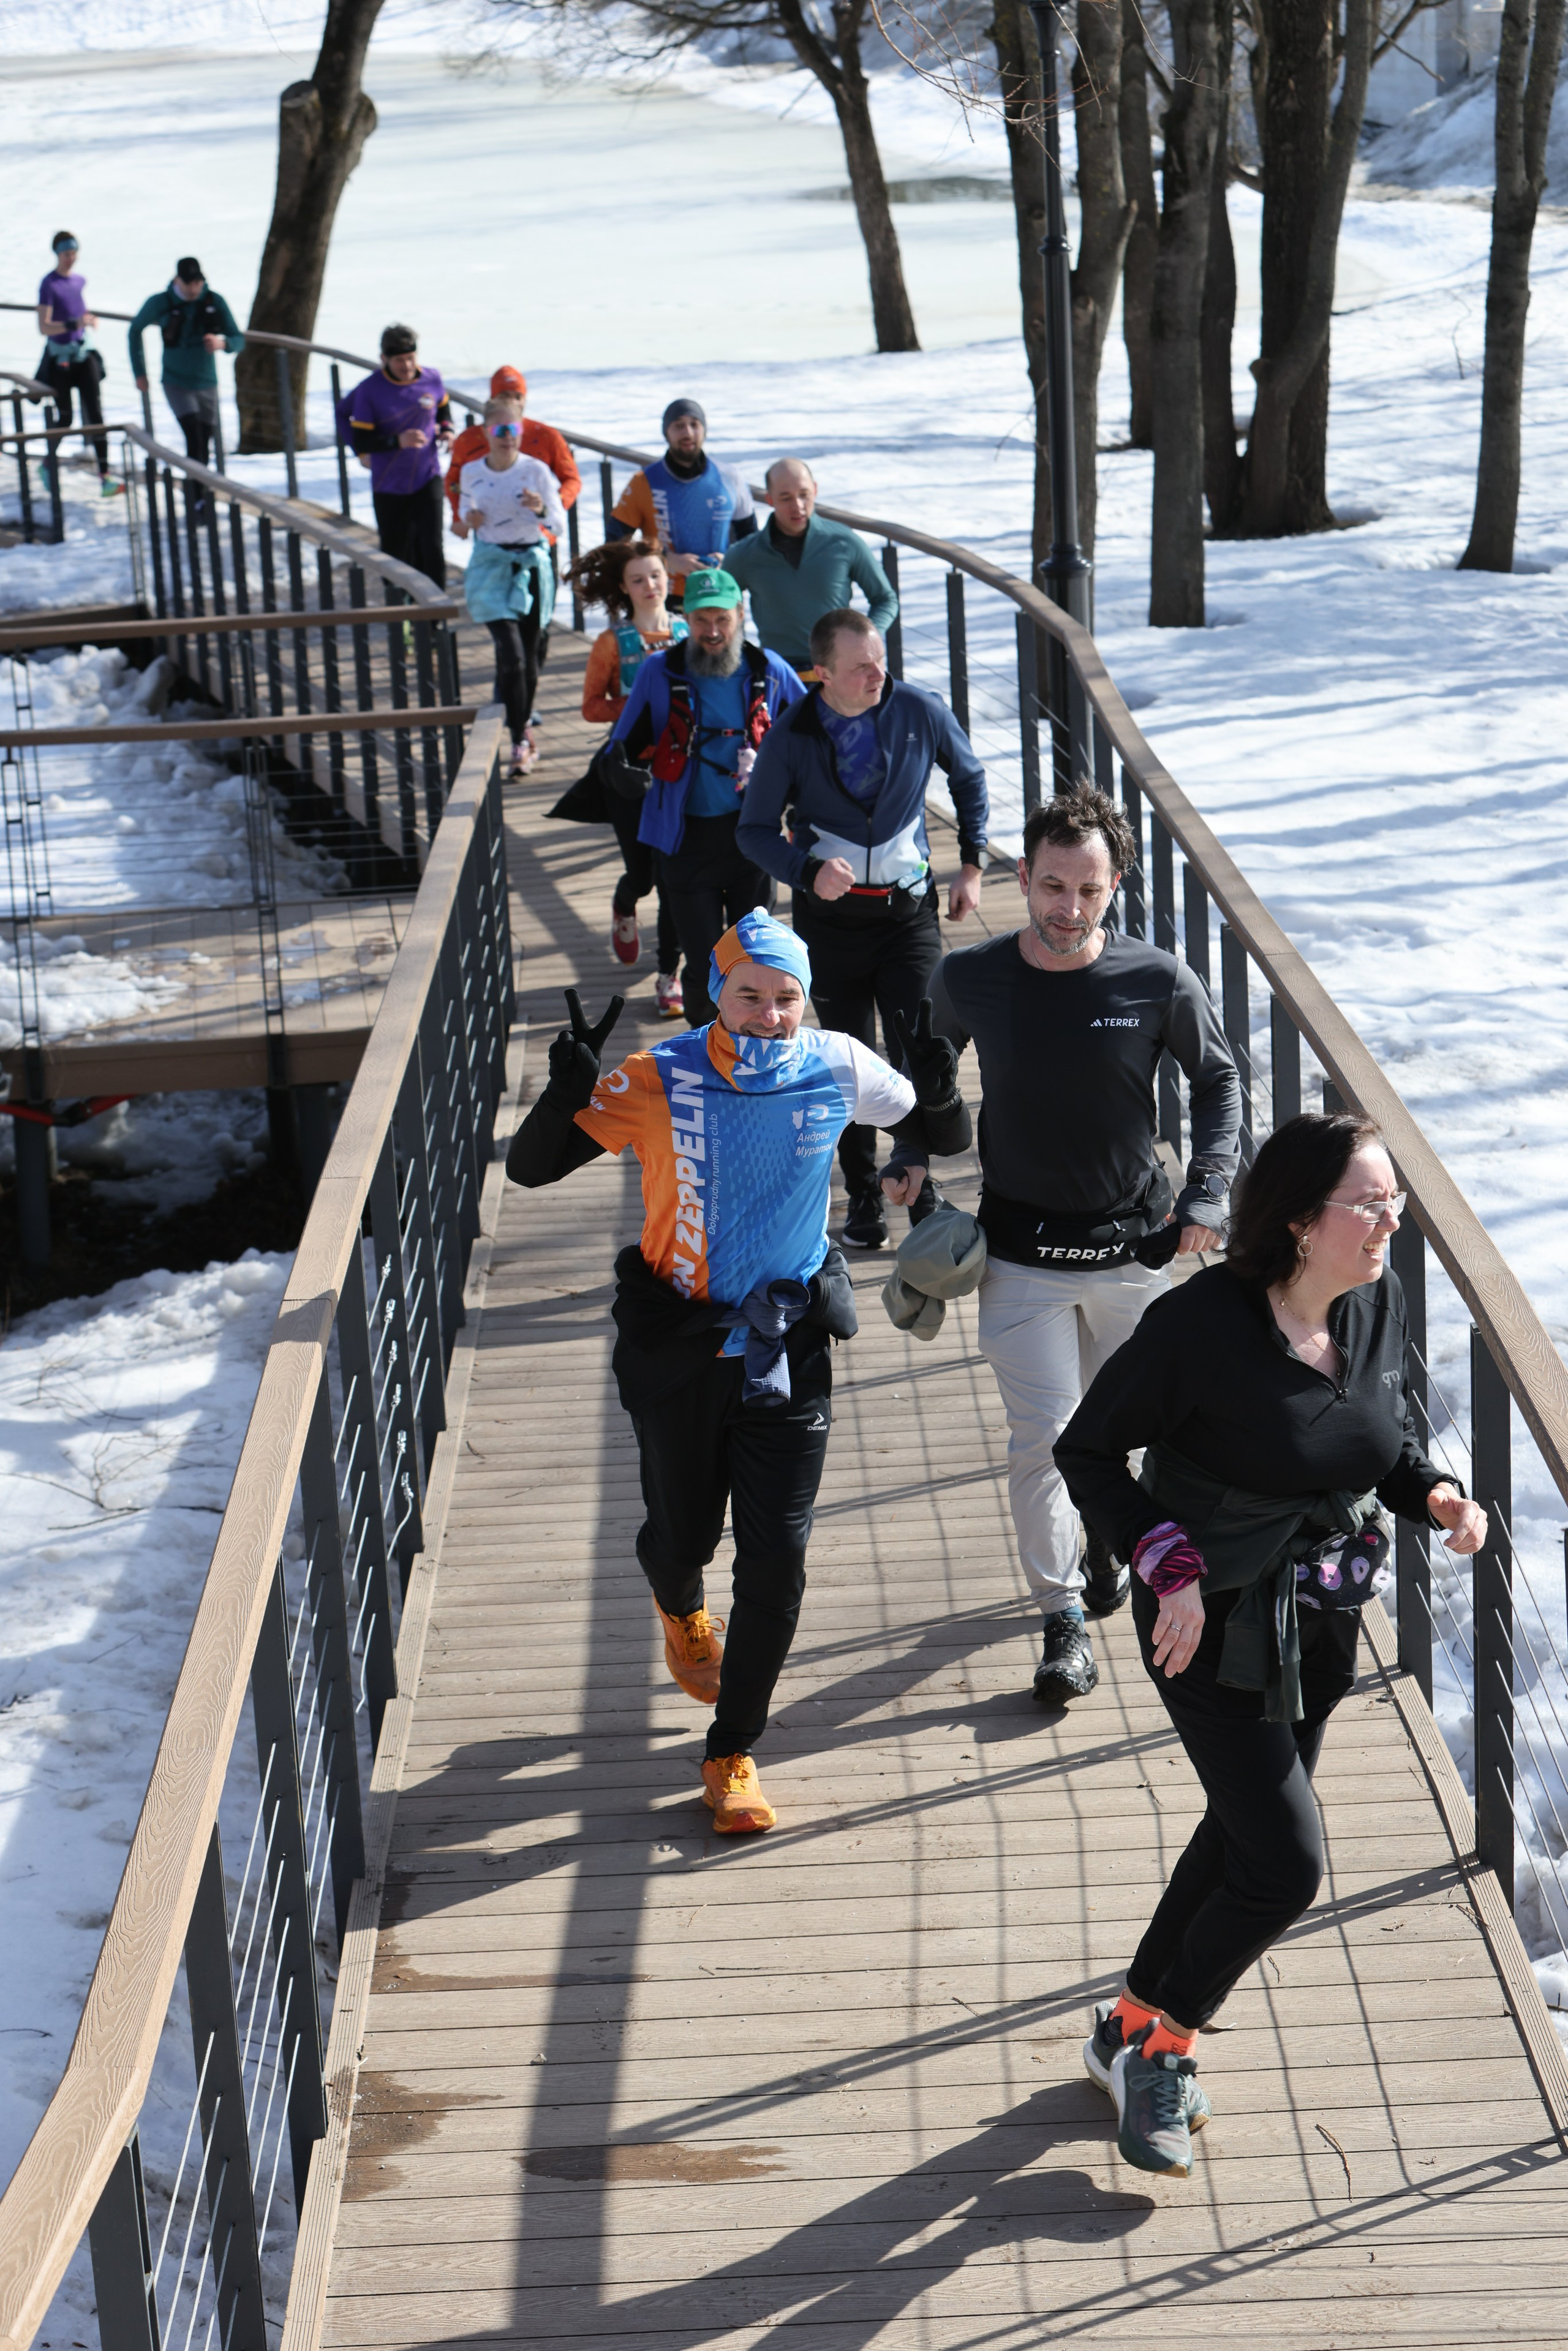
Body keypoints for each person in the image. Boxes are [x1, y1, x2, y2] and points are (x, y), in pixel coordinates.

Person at [1054, 1112, 1486, 2178]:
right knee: (1286, 1863)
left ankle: (1124, 2024)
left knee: (1242, 1833)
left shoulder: (1373, 1301)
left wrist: (1434, 1492)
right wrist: (1164, 1558)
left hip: (1322, 1616)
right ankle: (1165, 2051)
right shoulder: (1200, 1325)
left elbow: (1378, 1436)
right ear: (1298, 1219)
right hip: (1208, 1619)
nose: (1391, 1222)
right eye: (1369, 1204)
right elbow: (1089, 1448)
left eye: (1394, 1202)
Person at [505, 911, 971, 1833]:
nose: (769, 1014)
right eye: (750, 995)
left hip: (786, 1349)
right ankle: (681, 1603)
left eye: (786, 997)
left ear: (807, 1000)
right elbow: (529, 1169)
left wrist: (941, 1091)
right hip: (679, 1349)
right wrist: (563, 1095)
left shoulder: (837, 1063)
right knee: (681, 1537)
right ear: (717, 993)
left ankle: (731, 1753)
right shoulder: (661, 1075)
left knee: (777, 1561)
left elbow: (940, 1130)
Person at [921, 785, 1242, 1705]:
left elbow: (1218, 1079)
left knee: (1131, 1436)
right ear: (1023, 876)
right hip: (1018, 1256)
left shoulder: (1158, 979)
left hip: (1134, 1256)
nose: (1069, 908)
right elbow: (924, 1078)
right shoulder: (969, 977)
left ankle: (1106, 1536)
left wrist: (1207, 1189)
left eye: (1089, 891)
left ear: (1116, 888)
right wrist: (913, 1153)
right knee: (1043, 1441)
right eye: (1053, 886)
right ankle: (1061, 1617)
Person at [738, 607, 988, 1248]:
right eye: (861, 667)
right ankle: (863, 1195)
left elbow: (968, 777)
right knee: (847, 1059)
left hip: (908, 915)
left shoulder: (919, 710)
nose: (879, 675)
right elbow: (753, 830)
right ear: (822, 674)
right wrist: (806, 871)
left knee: (917, 1049)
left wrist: (972, 863)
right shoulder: (793, 734)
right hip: (831, 924)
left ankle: (918, 1183)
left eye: (881, 660)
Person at [608, 569, 805, 1027]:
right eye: (701, 620)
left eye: (722, 619)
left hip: (753, 840)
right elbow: (622, 748)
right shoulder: (660, 671)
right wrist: (623, 774)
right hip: (684, 841)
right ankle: (705, 1058)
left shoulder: (770, 670)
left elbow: (812, 735)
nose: (712, 632)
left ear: (740, 614)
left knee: (753, 965)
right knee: (704, 967)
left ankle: (750, 1052)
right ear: (687, 619)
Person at [568, 537, 688, 1014]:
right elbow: (590, 707)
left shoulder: (689, 630)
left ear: (668, 579)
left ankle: (669, 976)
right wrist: (641, 701)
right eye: (638, 580)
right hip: (629, 773)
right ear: (624, 588)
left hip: (682, 771)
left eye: (656, 576)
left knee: (673, 875)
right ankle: (625, 902)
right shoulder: (611, 643)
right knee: (644, 875)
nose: (650, 585)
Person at [453, 396, 565, 779]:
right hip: (491, 567)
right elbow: (462, 515)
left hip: (531, 566)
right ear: (486, 432)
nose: (508, 437)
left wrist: (540, 509)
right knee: (512, 655)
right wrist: (469, 518)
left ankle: (524, 729)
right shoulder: (472, 471)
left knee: (530, 660)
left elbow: (558, 523)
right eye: (500, 430)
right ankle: (519, 738)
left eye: (514, 429)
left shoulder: (536, 471)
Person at [720, 459, 897, 674]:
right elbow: (720, 606)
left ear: (815, 490)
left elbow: (885, 599)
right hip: (778, 675)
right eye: (786, 498)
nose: (798, 506)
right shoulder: (745, 554)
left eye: (804, 494)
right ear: (770, 499)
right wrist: (738, 656)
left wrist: (864, 642)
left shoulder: (844, 542)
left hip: (840, 673)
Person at [607, 399, 756, 603]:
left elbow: (751, 540)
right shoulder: (644, 482)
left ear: (704, 430)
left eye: (695, 425)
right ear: (666, 433)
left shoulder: (730, 478)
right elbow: (615, 545)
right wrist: (664, 559)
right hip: (665, 597)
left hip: (720, 593)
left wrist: (731, 560)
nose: (688, 433)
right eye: (678, 426)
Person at [342, 325, 453, 587]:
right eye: (399, 360)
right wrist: (397, 441)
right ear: (384, 359)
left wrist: (447, 430)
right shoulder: (370, 390)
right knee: (396, 552)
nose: (407, 366)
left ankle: (438, 608)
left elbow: (443, 409)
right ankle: (402, 608)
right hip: (389, 483)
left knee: (432, 547)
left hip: (428, 476)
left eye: (411, 358)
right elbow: (362, 440)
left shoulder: (432, 378)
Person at [129, 256, 245, 474]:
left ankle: (199, 491)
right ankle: (198, 492)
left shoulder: (214, 301)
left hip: (207, 382)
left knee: (204, 443)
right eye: (188, 284)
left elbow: (238, 339)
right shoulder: (161, 302)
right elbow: (135, 330)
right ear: (177, 281)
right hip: (176, 381)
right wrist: (139, 372)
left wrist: (223, 343)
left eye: (197, 283)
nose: (193, 289)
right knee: (194, 439)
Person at [443, 364, 581, 533]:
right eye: (505, 396)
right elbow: (453, 481)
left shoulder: (547, 435)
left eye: (518, 397)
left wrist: (551, 504)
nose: (513, 403)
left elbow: (571, 479)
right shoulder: (468, 439)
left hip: (538, 532)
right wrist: (462, 517)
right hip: (490, 532)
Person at [36, 231, 116, 496]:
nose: (70, 258)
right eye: (66, 254)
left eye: (73, 253)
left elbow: (77, 310)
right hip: (60, 359)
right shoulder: (49, 284)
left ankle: (105, 477)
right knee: (66, 417)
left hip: (83, 354)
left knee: (96, 414)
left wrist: (88, 319)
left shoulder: (79, 281)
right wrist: (74, 324)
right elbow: (44, 327)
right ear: (57, 254)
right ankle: (47, 464)